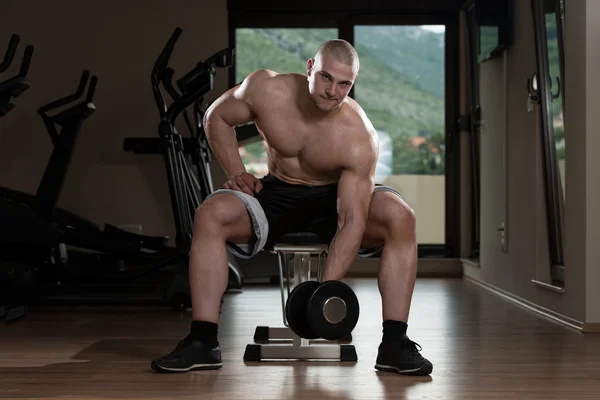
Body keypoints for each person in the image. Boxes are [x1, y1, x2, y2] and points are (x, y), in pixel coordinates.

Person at [150, 39, 433, 376]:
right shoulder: (267, 90)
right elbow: (217, 117)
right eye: (327, 77)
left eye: (344, 84)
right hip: (278, 192)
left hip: (336, 198)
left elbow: (351, 220)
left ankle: (394, 345)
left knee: (401, 217)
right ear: (310, 67)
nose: (333, 91)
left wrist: (321, 298)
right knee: (210, 215)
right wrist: (237, 172)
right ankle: (202, 342)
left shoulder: (357, 136)